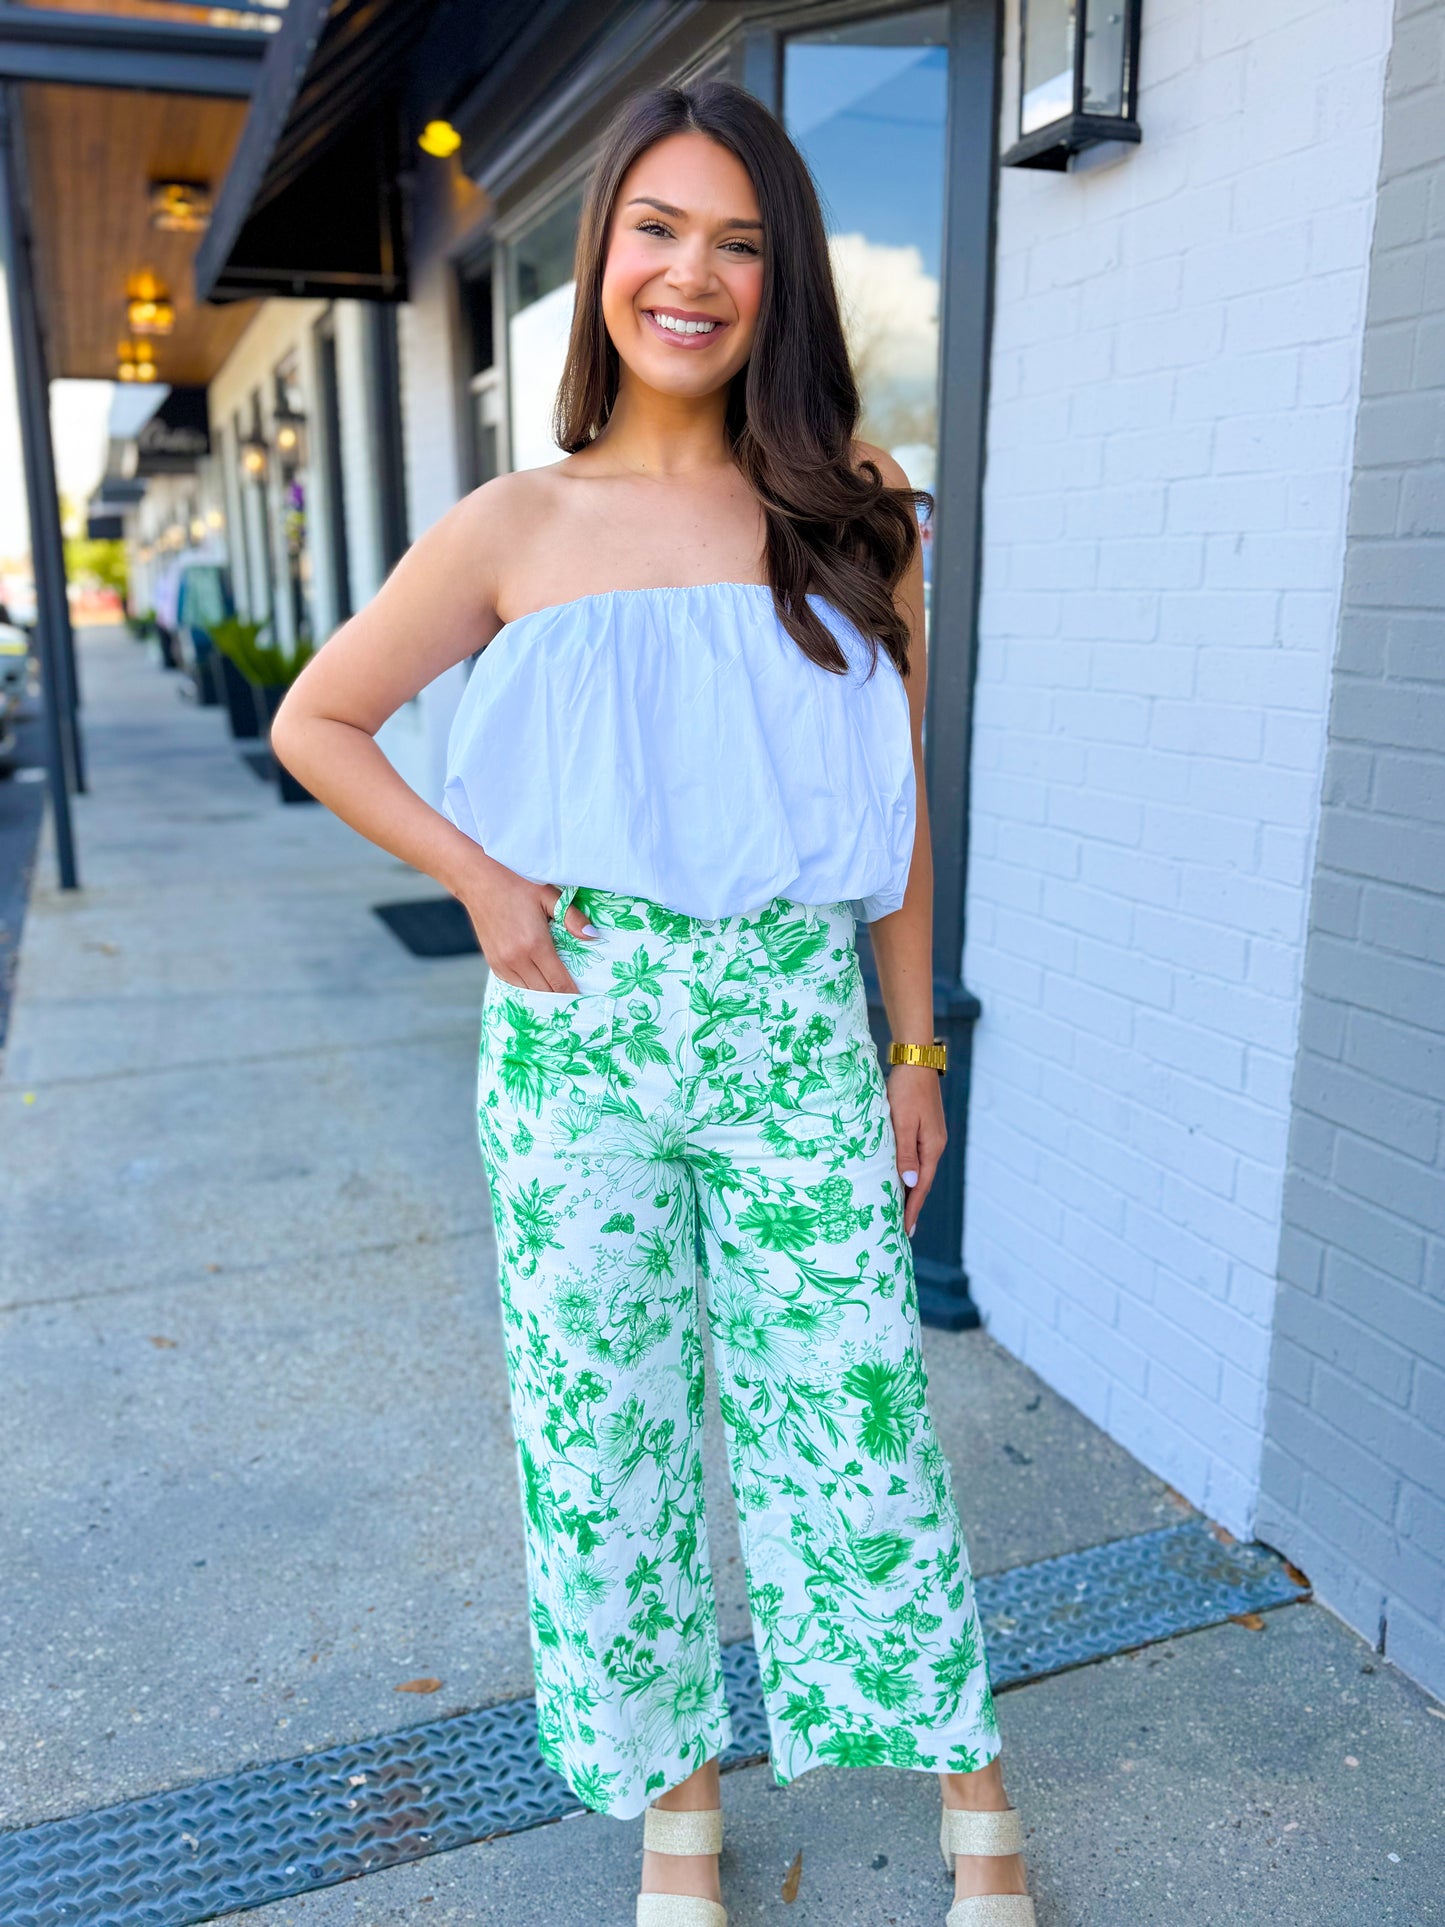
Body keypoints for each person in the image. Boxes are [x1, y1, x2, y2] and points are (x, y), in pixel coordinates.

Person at [271, 76, 1035, 1927]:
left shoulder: (856, 514)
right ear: (603, 252)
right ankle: (676, 1821)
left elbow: (896, 804)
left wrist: (908, 1044)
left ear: (784, 285)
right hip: (577, 1028)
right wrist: (479, 872)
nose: (692, 275)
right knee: (602, 1438)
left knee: (850, 1415)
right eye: (658, 230)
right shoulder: (511, 526)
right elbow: (319, 719)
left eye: (742, 243)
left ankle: (973, 1799)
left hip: (789, 1024)